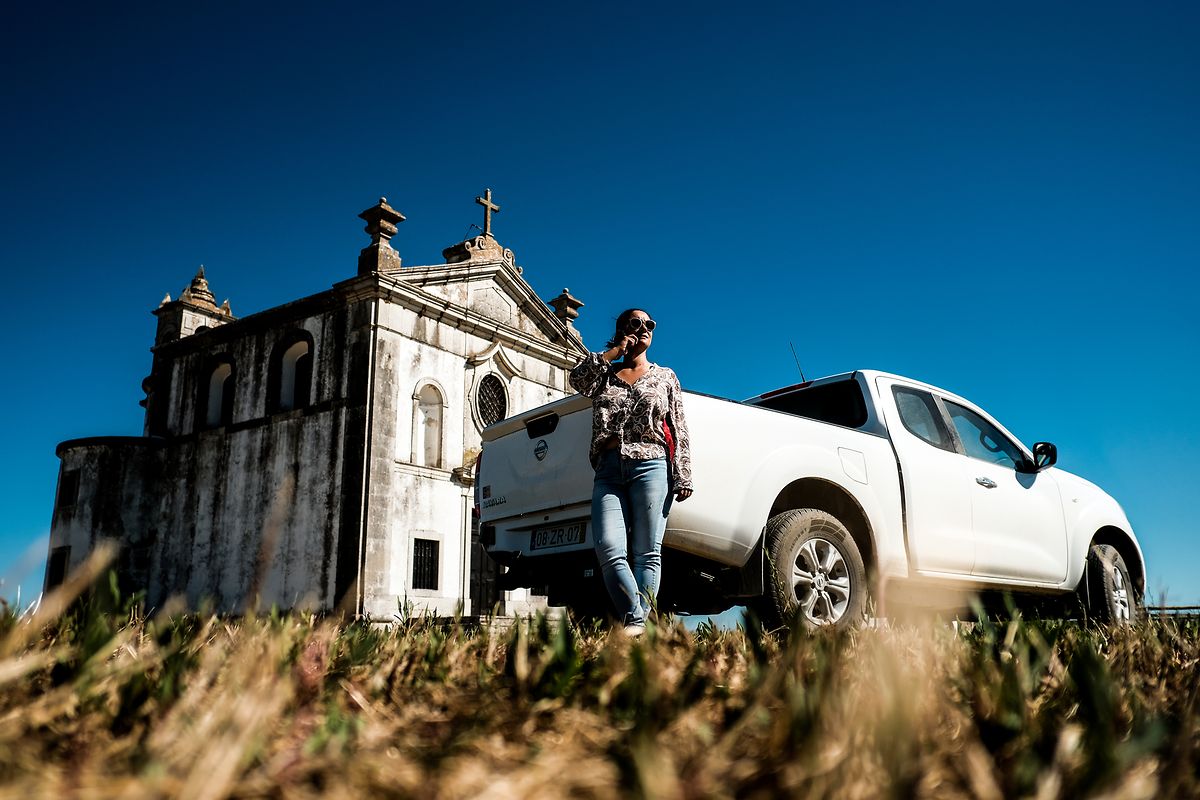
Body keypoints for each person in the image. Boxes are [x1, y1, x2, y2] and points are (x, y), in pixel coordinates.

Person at [569, 308, 693, 635]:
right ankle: (639, 621)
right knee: (609, 549)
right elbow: (577, 379)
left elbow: (678, 428)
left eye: (649, 324)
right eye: (635, 323)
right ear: (623, 329)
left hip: (651, 465)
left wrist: (682, 475)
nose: (644, 329)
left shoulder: (665, 376)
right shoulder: (604, 376)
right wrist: (614, 352)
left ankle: (634, 631)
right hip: (608, 470)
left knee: (647, 554)